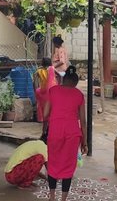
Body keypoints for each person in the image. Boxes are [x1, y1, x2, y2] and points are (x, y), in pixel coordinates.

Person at [43, 66, 87, 201]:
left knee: (53, 164)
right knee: (68, 167)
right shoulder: (79, 95)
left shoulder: (53, 91)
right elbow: (83, 121)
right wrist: (84, 143)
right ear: (75, 82)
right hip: (73, 134)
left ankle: (52, 197)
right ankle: (63, 199)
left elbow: (45, 114)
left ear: (64, 79)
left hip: (55, 132)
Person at [34, 57, 57, 122]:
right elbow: (60, 75)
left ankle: (41, 118)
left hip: (43, 91)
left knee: (38, 96)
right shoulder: (52, 69)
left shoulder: (39, 71)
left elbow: (34, 79)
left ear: (42, 64)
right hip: (52, 90)